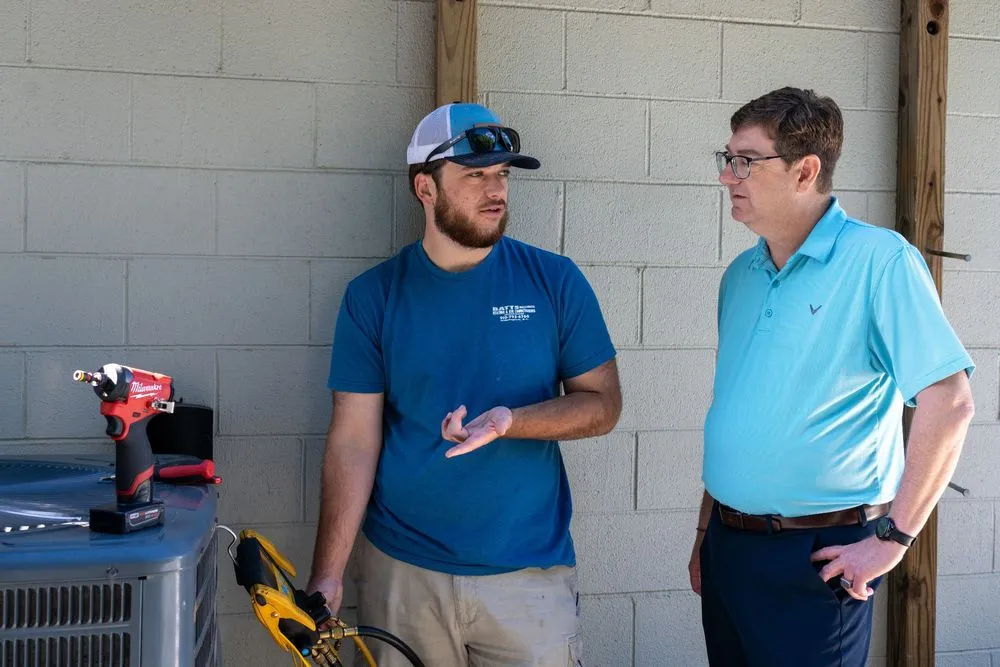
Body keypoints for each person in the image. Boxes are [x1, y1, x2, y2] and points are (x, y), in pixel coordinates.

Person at [307, 102, 622, 667]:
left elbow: (603, 405)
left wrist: (511, 421)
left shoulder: (554, 281)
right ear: (425, 187)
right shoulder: (373, 296)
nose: (495, 189)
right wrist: (327, 575)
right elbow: (353, 441)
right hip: (402, 574)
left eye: (502, 174)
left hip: (528, 576)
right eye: (475, 174)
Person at [690, 87, 976, 667]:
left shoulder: (879, 261)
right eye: (727, 158)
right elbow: (736, 410)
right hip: (727, 546)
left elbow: (949, 403)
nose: (728, 175)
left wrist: (892, 541)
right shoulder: (739, 277)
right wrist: (705, 534)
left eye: (746, 160)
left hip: (817, 557)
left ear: (806, 170)